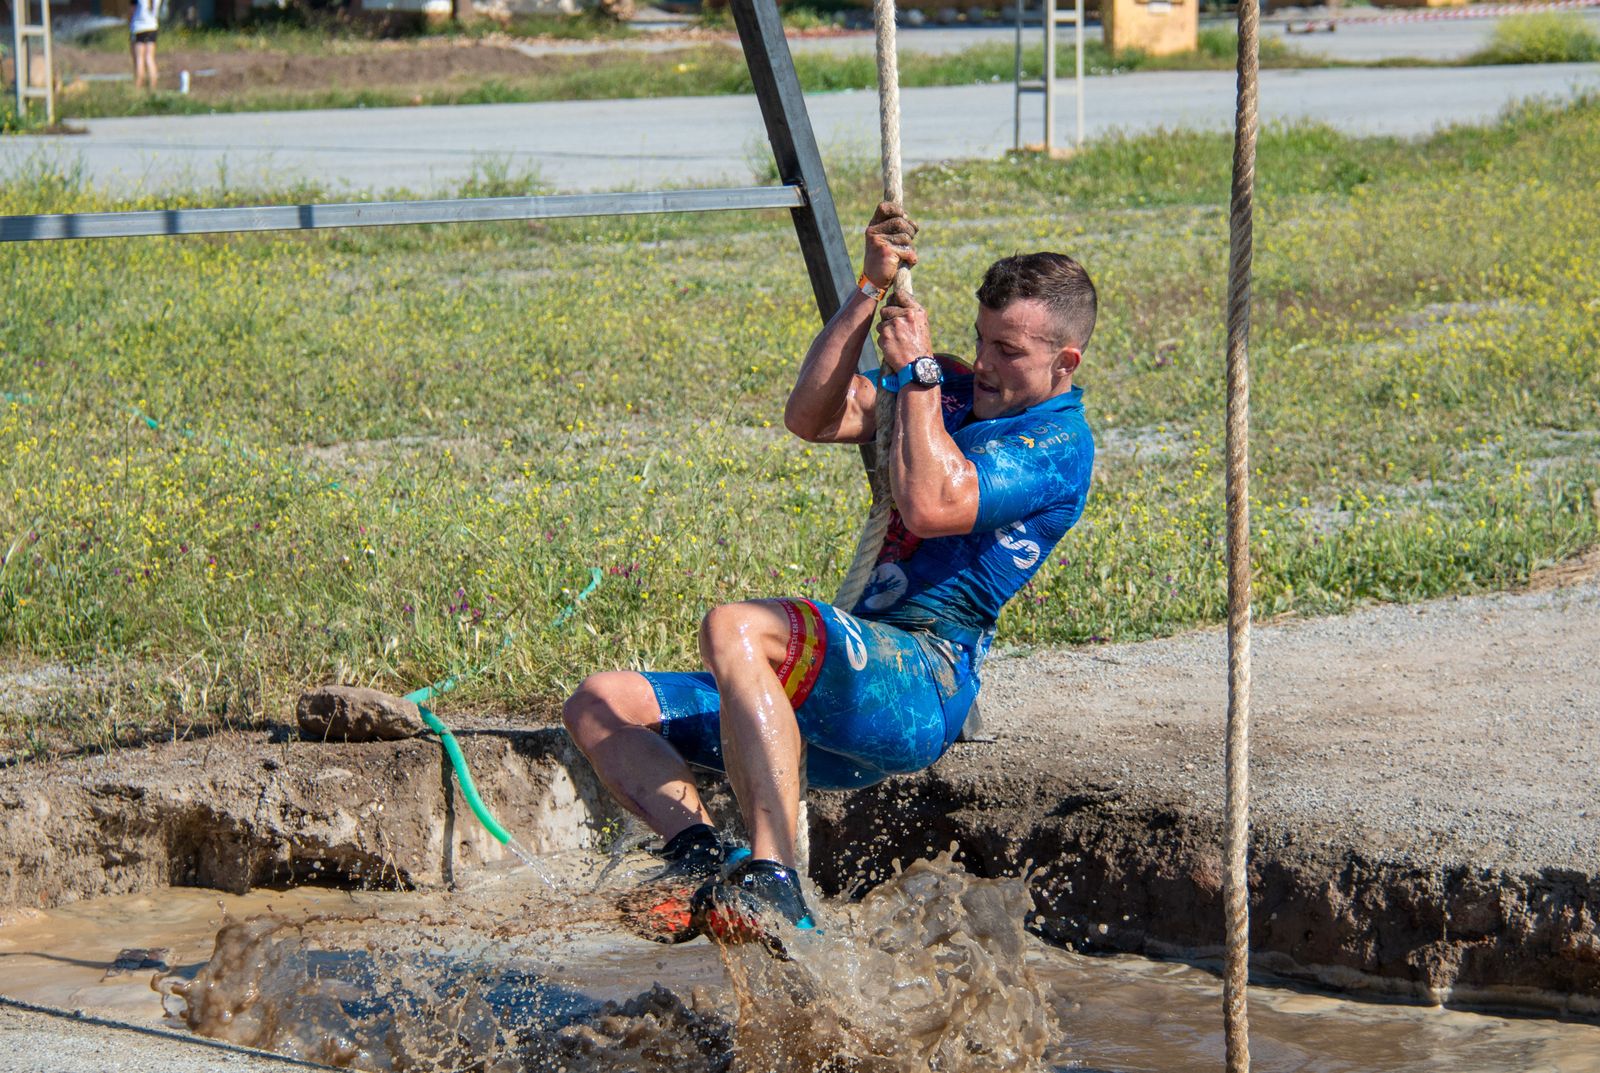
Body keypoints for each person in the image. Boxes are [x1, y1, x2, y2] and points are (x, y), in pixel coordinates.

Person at [562, 204, 1097, 946]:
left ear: (1065, 362)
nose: (984, 362)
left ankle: (774, 878)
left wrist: (916, 374)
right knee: (600, 703)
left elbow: (931, 503)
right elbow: (810, 416)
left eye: (1008, 350)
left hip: (917, 685)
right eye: (980, 338)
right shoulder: (947, 386)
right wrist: (866, 294)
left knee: (734, 627)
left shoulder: (1058, 444)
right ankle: (702, 860)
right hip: (839, 684)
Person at [130, 0, 160, 91]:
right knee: (149, 58)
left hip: (139, 27)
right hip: (152, 27)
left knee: (139, 59)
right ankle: (153, 87)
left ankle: (138, 87)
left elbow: (132, 10)